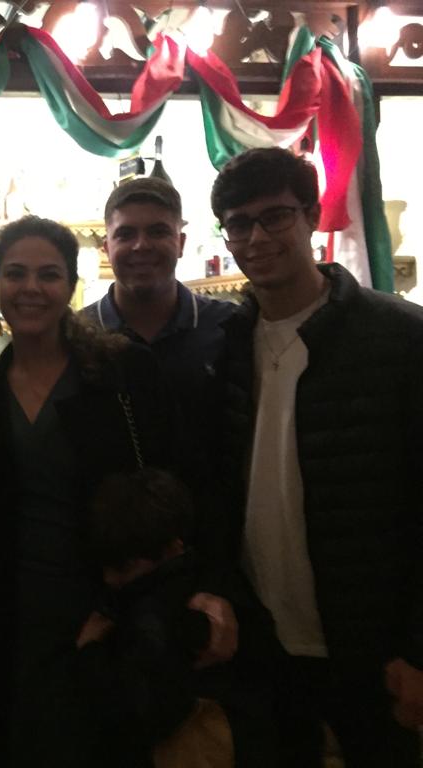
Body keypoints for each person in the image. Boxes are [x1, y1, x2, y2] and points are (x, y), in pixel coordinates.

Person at [0, 216, 235, 767]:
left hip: (116, 611)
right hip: (17, 618)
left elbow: (192, 480)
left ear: (72, 286)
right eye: (15, 273)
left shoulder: (122, 371)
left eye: (48, 274)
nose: (30, 288)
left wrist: (211, 587)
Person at [211, 146, 423, 767]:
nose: (257, 238)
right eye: (239, 224)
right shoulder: (226, 344)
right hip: (264, 644)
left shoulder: (399, 337)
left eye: (275, 216)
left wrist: (417, 648)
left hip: (371, 647)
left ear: (311, 216)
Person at [78, 468, 277, 768]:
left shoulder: (154, 616)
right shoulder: (219, 586)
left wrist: (90, 652)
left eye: (123, 566)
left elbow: (141, 714)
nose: (110, 579)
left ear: (170, 548)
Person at [84, 177, 234, 449]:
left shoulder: (229, 326)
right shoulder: (78, 335)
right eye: (126, 234)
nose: (141, 245)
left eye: (157, 232)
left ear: (181, 243)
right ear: (107, 248)